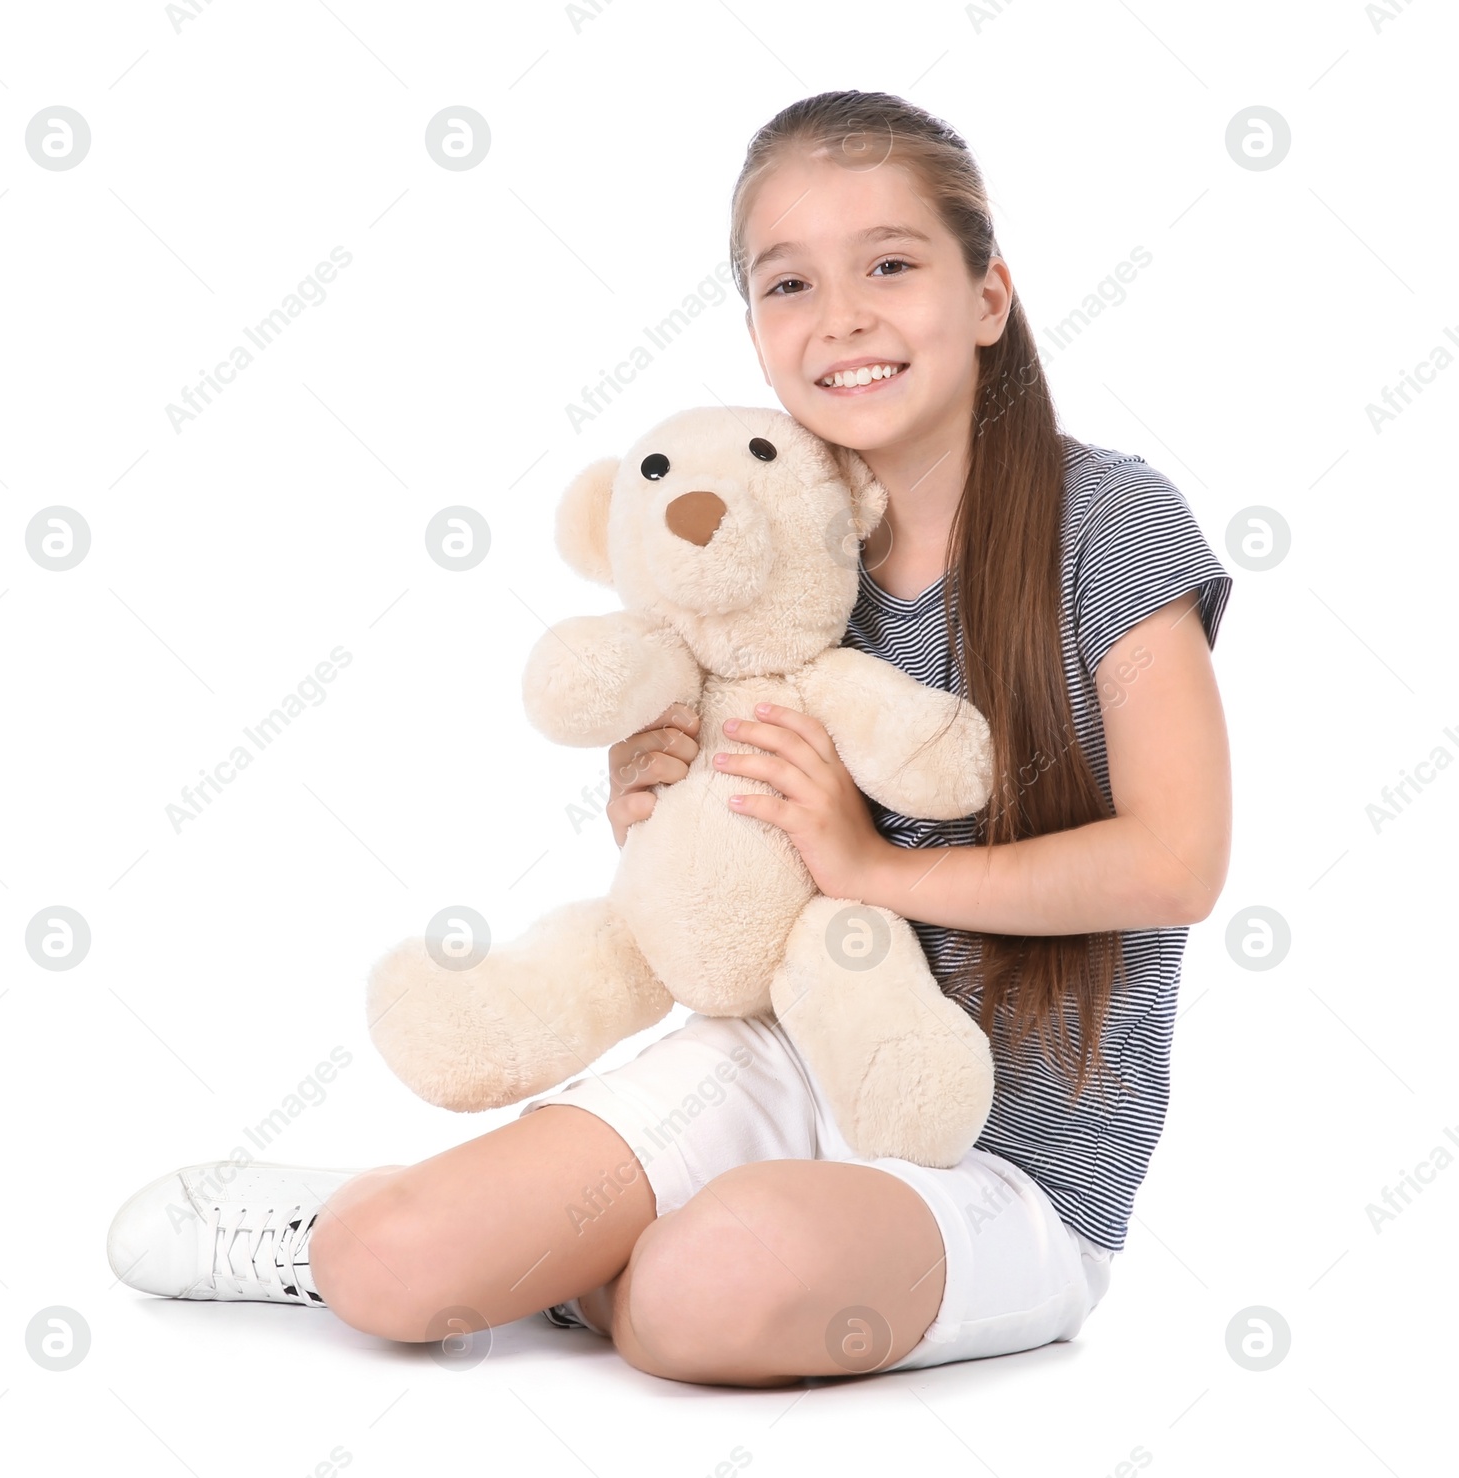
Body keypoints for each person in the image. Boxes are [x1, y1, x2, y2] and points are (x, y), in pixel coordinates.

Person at [106, 89, 1233, 1388]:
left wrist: (873, 867)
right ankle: (434, 1220)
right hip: (781, 1053)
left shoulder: (1110, 520)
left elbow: (1176, 859)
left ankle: (570, 1250)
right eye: (788, 283)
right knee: (389, 1268)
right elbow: (730, 838)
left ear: (987, 296)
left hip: (1005, 1163)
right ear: (755, 330)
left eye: (891, 264)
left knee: (701, 1295)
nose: (843, 316)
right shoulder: (772, 529)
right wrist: (659, 792)